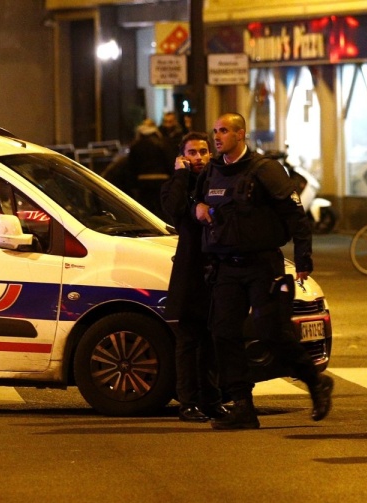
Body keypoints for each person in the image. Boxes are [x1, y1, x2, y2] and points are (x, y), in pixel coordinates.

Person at [194, 112, 334, 430]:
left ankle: (315, 381)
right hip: (226, 267)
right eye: (215, 131)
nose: (217, 137)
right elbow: (196, 201)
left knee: (272, 332)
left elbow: (295, 215)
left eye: (224, 131)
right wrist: (197, 207)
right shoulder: (213, 171)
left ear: (241, 134)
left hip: (262, 264)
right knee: (224, 332)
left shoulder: (265, 169)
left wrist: (303, 259)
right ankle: (243, 405)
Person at [160, 132, 227, 422]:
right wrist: (179, 176)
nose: (198, 157)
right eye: (192, 152)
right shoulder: (176, 185)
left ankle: (212, 400)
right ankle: (187, 402)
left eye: (203, 151)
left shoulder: (217, 181)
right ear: (182, 157)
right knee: (188, 342)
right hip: (190, 273)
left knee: (212, 341)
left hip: (217, 270)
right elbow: (174, 209)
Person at [128, 118, 173, 219]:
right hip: (162, 181)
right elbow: (169, 162)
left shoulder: (136, 145)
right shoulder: (163, 143)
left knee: (145, 212)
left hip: (143, 183)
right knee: (162, 210)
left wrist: (133, 185)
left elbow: (132, 167)